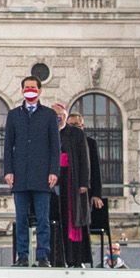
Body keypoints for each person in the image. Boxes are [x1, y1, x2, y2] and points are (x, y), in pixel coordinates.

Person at [4, 79, 61, 265]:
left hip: (42, 175)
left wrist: (54, 171)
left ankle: (43, 255)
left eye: (33, 88)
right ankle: (22, 255)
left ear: (40, 91)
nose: (30, 91)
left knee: (43, 219)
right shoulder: (14, 115)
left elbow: (55, 146)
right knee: (21, 219)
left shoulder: (49, 115)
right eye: (27, 88)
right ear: (22, 90)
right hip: (20, 175)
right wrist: (8, 171)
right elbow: (7, 146)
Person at [50, 106, 108, 268]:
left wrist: (93, 191)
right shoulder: (53, 134)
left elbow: (93, 169)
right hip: (59, 185)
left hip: (75, 187)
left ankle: (77, 258)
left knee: (76, 221)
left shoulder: (86, 141)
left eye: (77, 124)